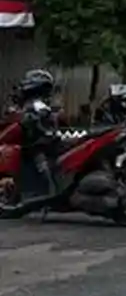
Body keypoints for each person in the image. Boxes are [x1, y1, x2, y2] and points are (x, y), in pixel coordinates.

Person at [15, 69, 59, 200]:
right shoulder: (35, 105)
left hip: (38, 146)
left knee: (41, 167)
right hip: (37, 144)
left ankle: (48, 196)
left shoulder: (37, 105)